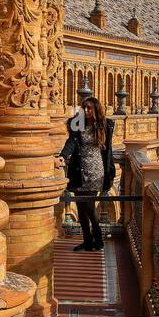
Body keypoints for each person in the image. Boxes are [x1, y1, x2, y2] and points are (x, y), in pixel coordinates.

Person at [58, 95, 115, 252]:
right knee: (80, 207)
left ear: (96, 109)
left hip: (96, 170)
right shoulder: (78, 124)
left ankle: (98, 239)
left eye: (89, 108)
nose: (86, 110)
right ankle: (88, 241)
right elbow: (70, 143)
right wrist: (63, 156)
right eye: (84, 108)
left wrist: (110, 172)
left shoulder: (105, 126)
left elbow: (109, 151)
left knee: (89, 207)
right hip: (79, 168)